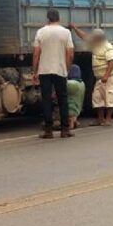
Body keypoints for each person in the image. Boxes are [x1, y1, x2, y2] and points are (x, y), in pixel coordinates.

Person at [33, 9, 75, 139]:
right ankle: (65, 130)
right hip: (60, 70)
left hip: (44, 70)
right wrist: (66, 68)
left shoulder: (40, 32)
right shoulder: (66, 32)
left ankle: (48, 130)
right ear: (58, 18)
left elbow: (36, 54)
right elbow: (70, 53)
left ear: (48, 19)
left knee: (46, 100)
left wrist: (34, 71)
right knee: (63, 99)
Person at [69, 24, 113, 126]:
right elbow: (84, 36)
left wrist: (106, 75)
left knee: (110, 97)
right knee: (97, 98)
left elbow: (112, 62)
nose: (92, 39)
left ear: (99, 38)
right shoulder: (95, 45)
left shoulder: (108, 47)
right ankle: (100, 119)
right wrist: (75, 28)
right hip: (100, 78)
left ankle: (108, 119)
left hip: (110, 77)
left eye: (94, 38)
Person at [66, 64, 86, 130]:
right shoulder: (82, 83)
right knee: (76, 101)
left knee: (70, 102)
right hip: (77, 108)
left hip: (71, 83)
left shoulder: (69, 83)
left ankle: (71, 124)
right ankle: (75, 121)